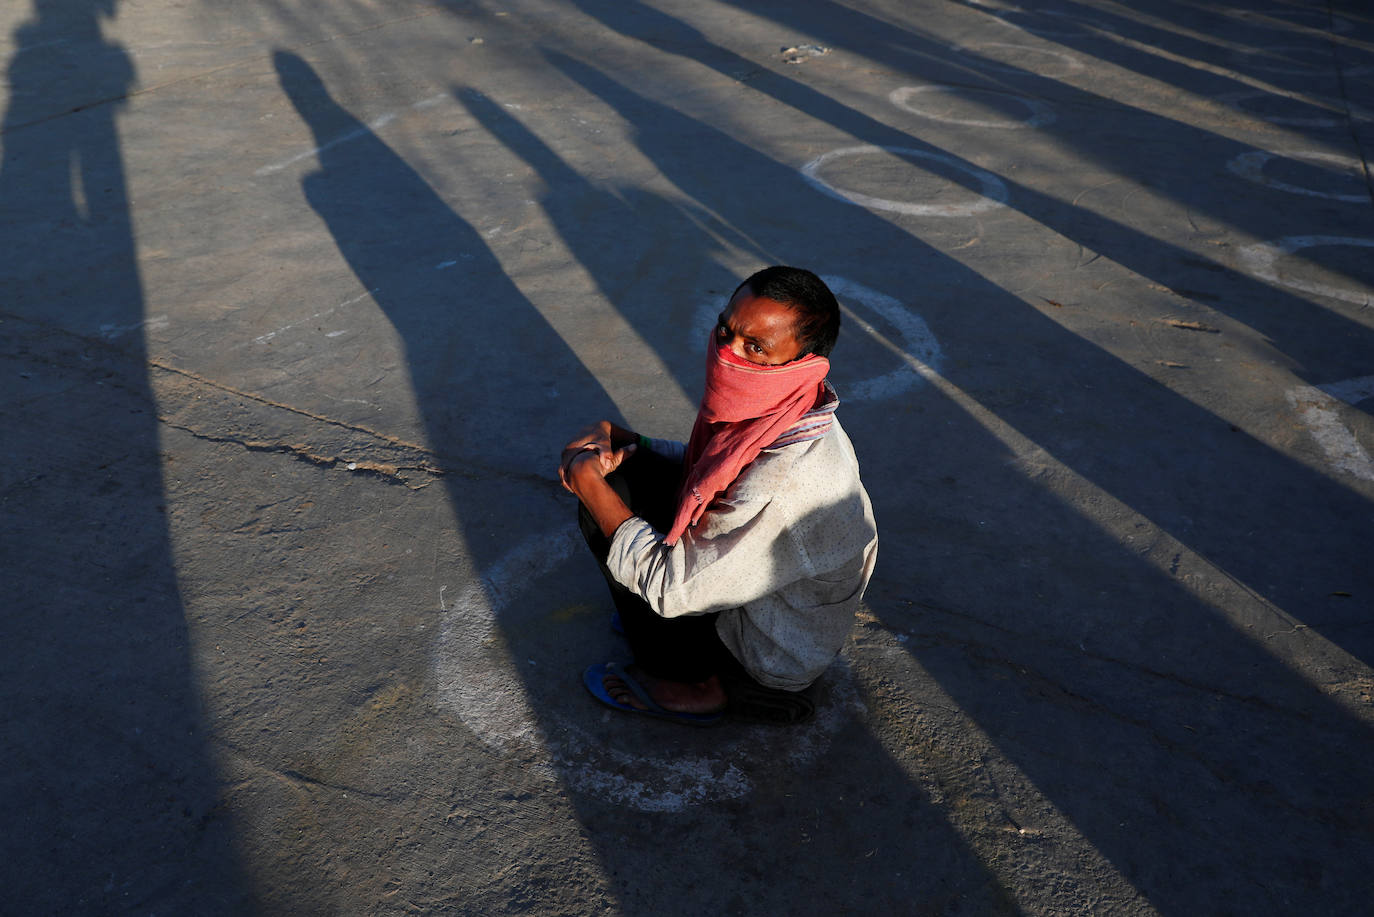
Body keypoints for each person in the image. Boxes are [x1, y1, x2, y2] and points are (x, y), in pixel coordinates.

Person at [560, 266, 877, 725]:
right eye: (726, 331)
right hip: (751, 594)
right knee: (633, 473)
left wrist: (588, 481)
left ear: (802, 362)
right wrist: (634, 442)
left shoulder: (787, 480)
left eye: (755, 348)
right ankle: (661, 639)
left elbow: (672, 587)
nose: (727, 354)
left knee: (606, 505)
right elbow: (710, 466)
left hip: (764, 650)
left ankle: (687, 685)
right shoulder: (793, 406)